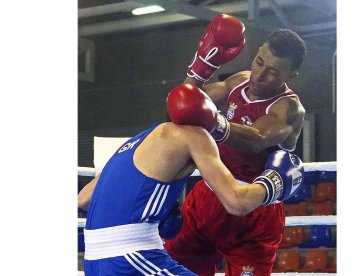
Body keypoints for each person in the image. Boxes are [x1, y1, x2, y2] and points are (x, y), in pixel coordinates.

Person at [77, 83, 304, 276]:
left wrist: (156, 208)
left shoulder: (142, 139)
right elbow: (237, 202)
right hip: (133, 256)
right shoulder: (195, 136)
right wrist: (273, 183)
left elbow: (83, 199)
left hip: (94, 260)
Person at [164, 14, 307, 276]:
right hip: (209, 194)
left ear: (291, 75)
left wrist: (213, 122)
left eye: (273, 71)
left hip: (253, 211)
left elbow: (257, 139)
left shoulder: (289, 108)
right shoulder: (238, 80)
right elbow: (184, 103)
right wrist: (200, 67)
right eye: (259, 61)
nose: (260, 74)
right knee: (174, 271)